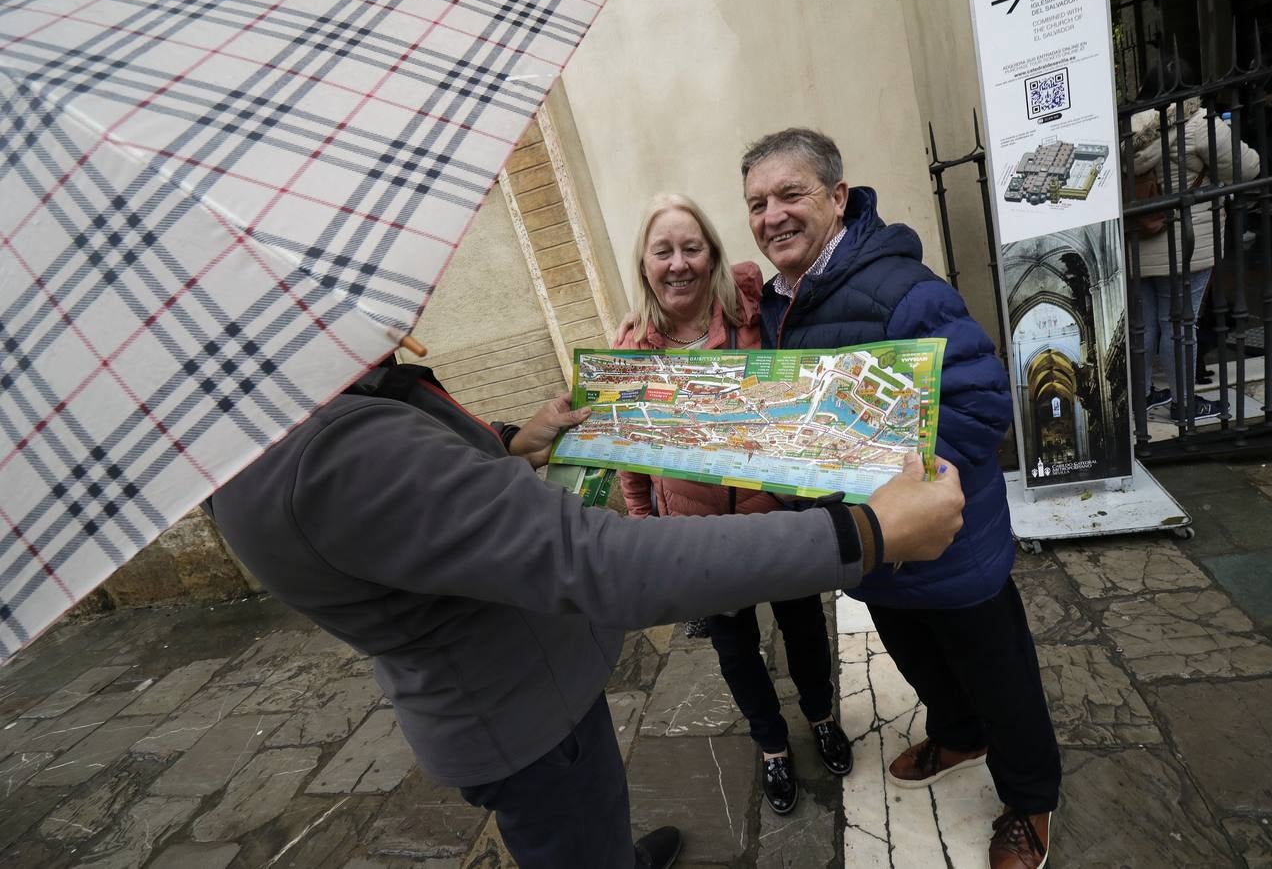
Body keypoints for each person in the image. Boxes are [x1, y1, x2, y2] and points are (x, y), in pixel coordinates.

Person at [204, 353, 967, 869]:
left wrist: (507, 442)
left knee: (591, 830)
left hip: (526, 690)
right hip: (523, 721)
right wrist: (864, 534)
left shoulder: (270, 428)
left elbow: (419, 505)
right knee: (572, 837)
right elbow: (600, 561)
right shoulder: (331, 448)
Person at [741, 127, 1060, 869]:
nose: (772, 215)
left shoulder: (903, 291)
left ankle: (1030, 799)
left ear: (837, 197)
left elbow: (980, 403)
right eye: (756, 203)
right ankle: (958, 736)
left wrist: (888, 486)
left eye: (790, 194)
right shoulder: (779, 305)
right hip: (874, 549)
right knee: (919, 656)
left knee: (1000, 679)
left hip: (949, 548)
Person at [615, 193, 851, 816]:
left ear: (712, 255)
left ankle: (821, 715)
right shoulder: (632, 352)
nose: (679, 263)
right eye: (663, 251)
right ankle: (772, 743)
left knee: (804, 627)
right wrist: (644, 531)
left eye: (692, 248)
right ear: (644, 264)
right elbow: (629, 456)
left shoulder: (748, 315)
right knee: (735, 650)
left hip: (773, 518)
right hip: (695, 537)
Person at [1131, 58, 1261, 420]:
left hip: (1138, 242)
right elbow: (1249, 166)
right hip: (1186, 243)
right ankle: (1184, 404)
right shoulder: (1199, 124)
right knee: (1179, 324)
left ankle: (1142, 396)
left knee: (1144, 325)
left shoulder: (1129, 128)